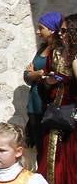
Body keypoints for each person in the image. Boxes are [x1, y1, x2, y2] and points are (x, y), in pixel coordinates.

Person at [38, 13, 77, 184]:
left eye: (64, 31)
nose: (60, 34)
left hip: (73, 113)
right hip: (57, 112)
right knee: (54, 160)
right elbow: (45, 81)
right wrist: (50, 81)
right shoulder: (56, 53)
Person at [24, 12, 62, 163]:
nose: (38, 31)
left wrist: (37, 73)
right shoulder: (42, 49)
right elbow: (27, 75)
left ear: (52, 30)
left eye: (41, 28)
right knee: (40, 150)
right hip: (35, 105)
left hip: (49, 106)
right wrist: (36, 74)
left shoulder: (58, 51)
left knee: (51, 151)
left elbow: (54, 76)